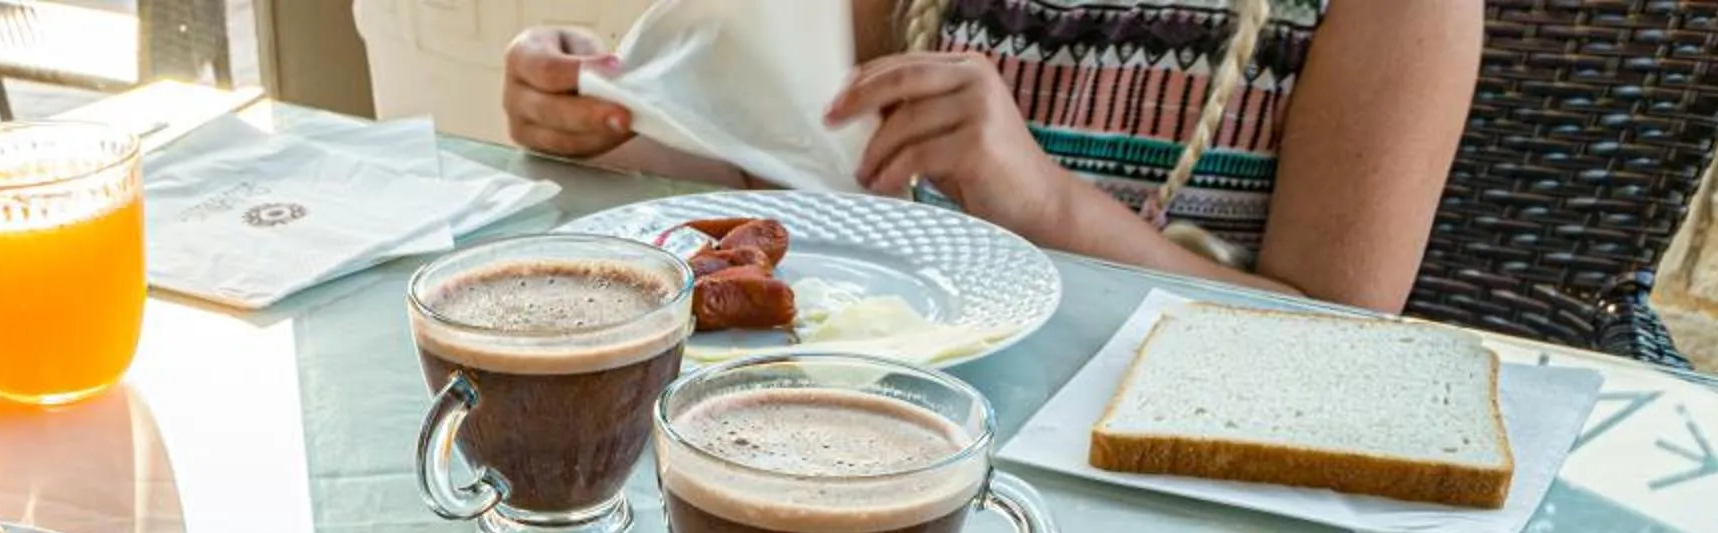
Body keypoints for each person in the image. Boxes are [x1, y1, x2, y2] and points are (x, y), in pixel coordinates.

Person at [502, 0, 1482, 313]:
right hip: (908, 438)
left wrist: (1045, 206)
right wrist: (619, 119)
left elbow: (1340, 336)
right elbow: (801, 169)